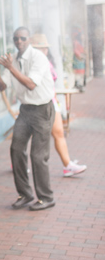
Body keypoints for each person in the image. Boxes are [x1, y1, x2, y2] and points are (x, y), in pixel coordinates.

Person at [0, 26, 56, 211]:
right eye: (16, 38)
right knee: (16, 149)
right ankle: (25, 194)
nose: (19, 42)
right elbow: (2, 86)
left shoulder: (38, 57)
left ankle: (46, 197)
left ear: (29, 39)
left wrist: (9, 67)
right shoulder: (13, 60)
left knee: (38, 155)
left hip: (42, 109)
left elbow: (31, 84)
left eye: (22, 38)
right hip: (25, 110)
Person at [29, 34, 86, 178]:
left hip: (52, 102)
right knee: (30, 136)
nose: (43, 51)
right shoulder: (32, 64)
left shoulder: (47, 62)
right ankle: (20, 163)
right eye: (39, 48)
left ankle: (67, 165)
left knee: (59, 133)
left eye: (45, 48)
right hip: (37, 104)